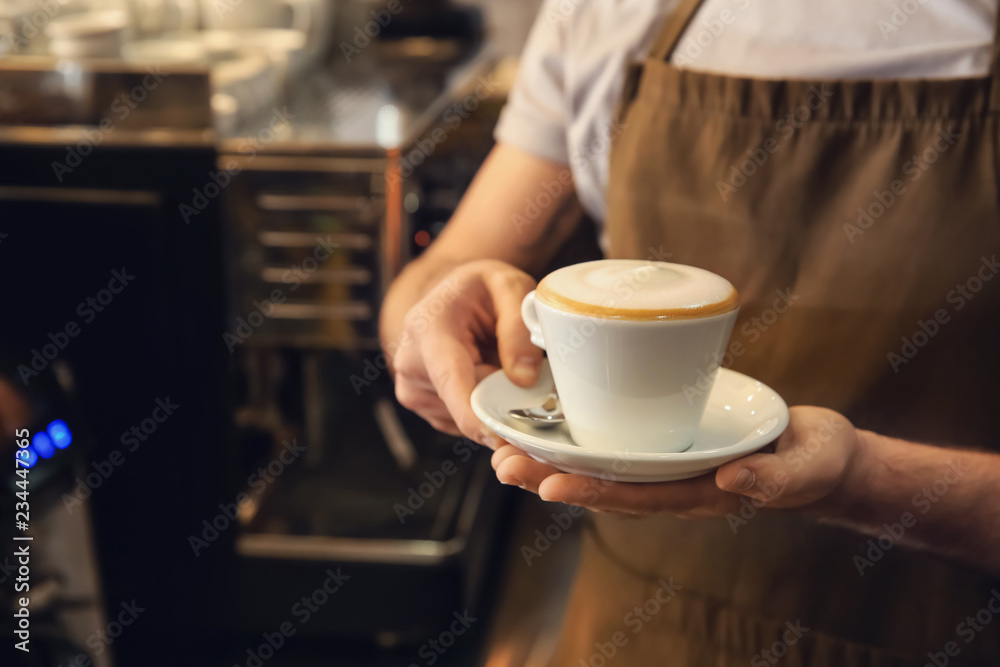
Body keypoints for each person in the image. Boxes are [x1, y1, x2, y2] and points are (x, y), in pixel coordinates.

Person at [380, 0, 1000, 664]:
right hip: (640, 628)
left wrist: (865, 479)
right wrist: (425, 320)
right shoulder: (606, 12)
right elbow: (440, 273)